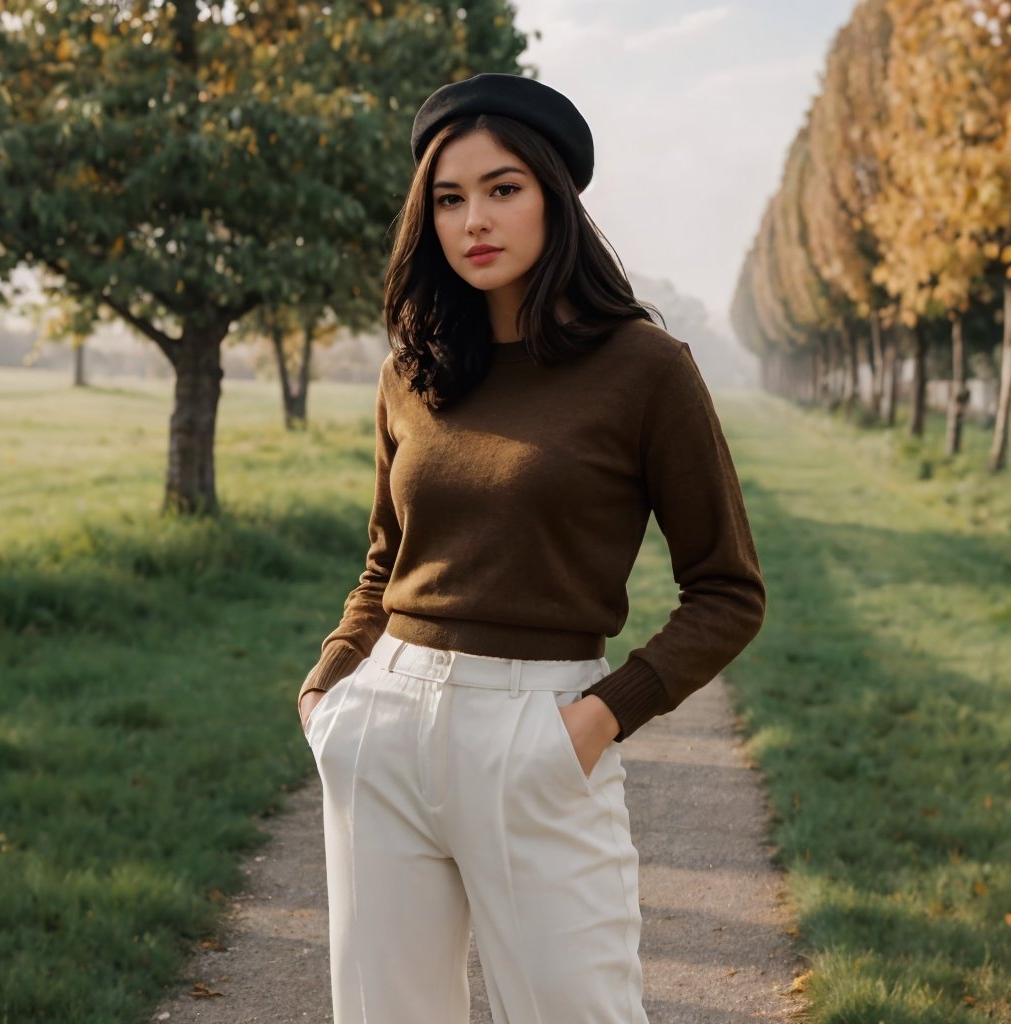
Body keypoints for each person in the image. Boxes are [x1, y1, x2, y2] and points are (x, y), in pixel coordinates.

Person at [298, 73, 766, 1024]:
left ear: (555, 195)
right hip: (382, 730)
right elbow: (387, 561)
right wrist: (329, 690)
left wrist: (597, 720)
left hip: (540, 735)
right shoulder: (412, 370)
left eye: (503, 188)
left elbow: (727, 591)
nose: (475, 218)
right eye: (450, 197)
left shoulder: (645, 370)